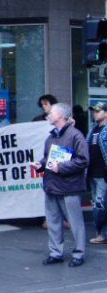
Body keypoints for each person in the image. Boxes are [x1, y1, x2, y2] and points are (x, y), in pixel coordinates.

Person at [33, 103, 89, 267]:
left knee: (75, 223)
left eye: (51, 113)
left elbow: (83, 160)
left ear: (61, 115)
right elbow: (48, 159)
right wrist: (41, 165)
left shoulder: (75, 136)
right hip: (52, 186)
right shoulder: (51, 137)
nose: (48, 115)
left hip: (69, 188)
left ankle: (79, 254)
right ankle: (55, 253)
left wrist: (61, 167)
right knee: (53, 222)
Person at [87, 102, 107, 245]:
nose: (95, 113)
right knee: (97, 204)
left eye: (98, 111)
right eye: (94, 111)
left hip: (103, 175)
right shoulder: (93, 130)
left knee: (100, 205)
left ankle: (102, 234)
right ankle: (101, 233)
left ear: (106, 113)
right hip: (93, 174)